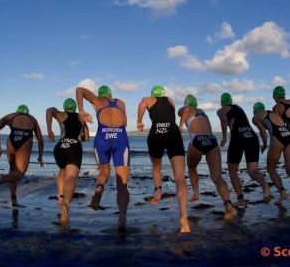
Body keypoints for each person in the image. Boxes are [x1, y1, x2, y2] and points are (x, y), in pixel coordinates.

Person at [76, 85, 130, 231]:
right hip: (120, 138)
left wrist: (81, 111)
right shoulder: (120, 103)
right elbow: (125, 124)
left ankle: (99, 188)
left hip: (102, 138)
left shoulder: (97, 100)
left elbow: (80, 89)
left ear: (99, 95)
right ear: (111, 94)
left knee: (104, 173)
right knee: (122, 184)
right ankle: (122, 218)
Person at [137, 85, 190, 233]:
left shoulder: (147, 99)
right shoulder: (171, 100)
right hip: (173, 133)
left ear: (153, 94)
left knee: (156, 166)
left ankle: (158, 192)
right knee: (180, 178)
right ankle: (184, 216)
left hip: (156, 133)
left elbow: (142, 105)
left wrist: (139, 121)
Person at [178, 94, 234, 220]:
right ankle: (228, 203)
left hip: (197, 140)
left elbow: (186, 110)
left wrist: (180, 126)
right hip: (211, 140)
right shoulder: (202, 112)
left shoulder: (185, 109)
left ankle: (196, 193)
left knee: (192, 167)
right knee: (217, 177)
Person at [217, 92, 271, 207]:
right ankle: (265, 187)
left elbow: (223, 121)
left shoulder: (221, 110)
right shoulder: (239, 108)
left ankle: (241, 200)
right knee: (253, 171)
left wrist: (224, 137)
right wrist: (265, 143)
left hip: (238, 137)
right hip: (251, 136)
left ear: (221, 102)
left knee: (232, 171)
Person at [0, 104, 44, 207]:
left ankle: (14, 200)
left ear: (17, 111)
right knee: (19, 174)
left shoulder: (10, 116)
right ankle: (2, 179)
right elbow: (40, 140)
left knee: (12, 171)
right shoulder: (33, 119)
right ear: (27, 112)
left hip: (12, 139)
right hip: (25, 138)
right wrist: (40, 157)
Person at [46, 98, 90, 226]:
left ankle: (60, 197)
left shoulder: (61, 115)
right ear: (75, 107)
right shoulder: (81, 118)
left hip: (60, 147)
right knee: (70, 176)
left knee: (62, 170)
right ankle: (66, 204)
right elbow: (86, 138)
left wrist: (49, 129)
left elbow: (49, 110)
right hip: (74, 147)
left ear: (65, 107)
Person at [252, 102, 290, 206]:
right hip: (289, 136)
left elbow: (263, 130)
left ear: (255, 110)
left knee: (271, 168)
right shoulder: (273, 113)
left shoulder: (255, 118)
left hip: (278, 137)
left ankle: (283, 193)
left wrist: (264, 144)